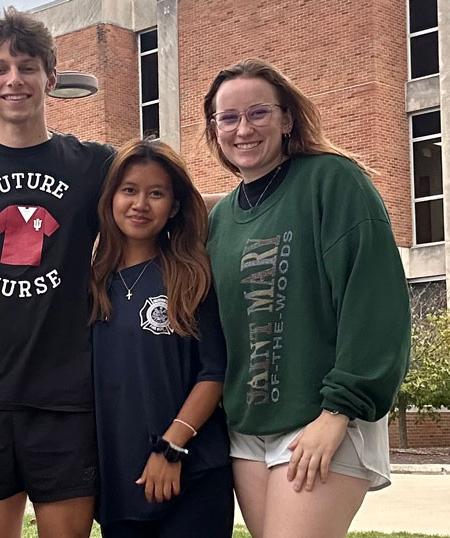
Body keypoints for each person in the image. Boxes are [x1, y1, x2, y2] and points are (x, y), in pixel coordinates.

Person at [202, 58, 410, 538]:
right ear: (214, 129)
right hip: (247, 432)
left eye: (258, 113)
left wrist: (338, 411)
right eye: (228, 118)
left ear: (287, 119)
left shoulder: (334, 181)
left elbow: (374, 303)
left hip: (324, 419)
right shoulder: (222, 219)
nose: (243, 129)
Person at [0, 8, 116, 537]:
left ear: (50, 77)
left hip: (64, 397)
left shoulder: (94, 165)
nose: (13, 79)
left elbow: (166, 203)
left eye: (27, 66)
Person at [89, 139, 233, 537]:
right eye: (129, 190)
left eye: (156, 193)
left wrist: (171, 447)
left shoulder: (192, 275)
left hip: (193, 473)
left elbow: (214, 372)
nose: (140, 204)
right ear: (111, 199)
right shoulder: (93, 285)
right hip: (121, 483)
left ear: (173, 207)